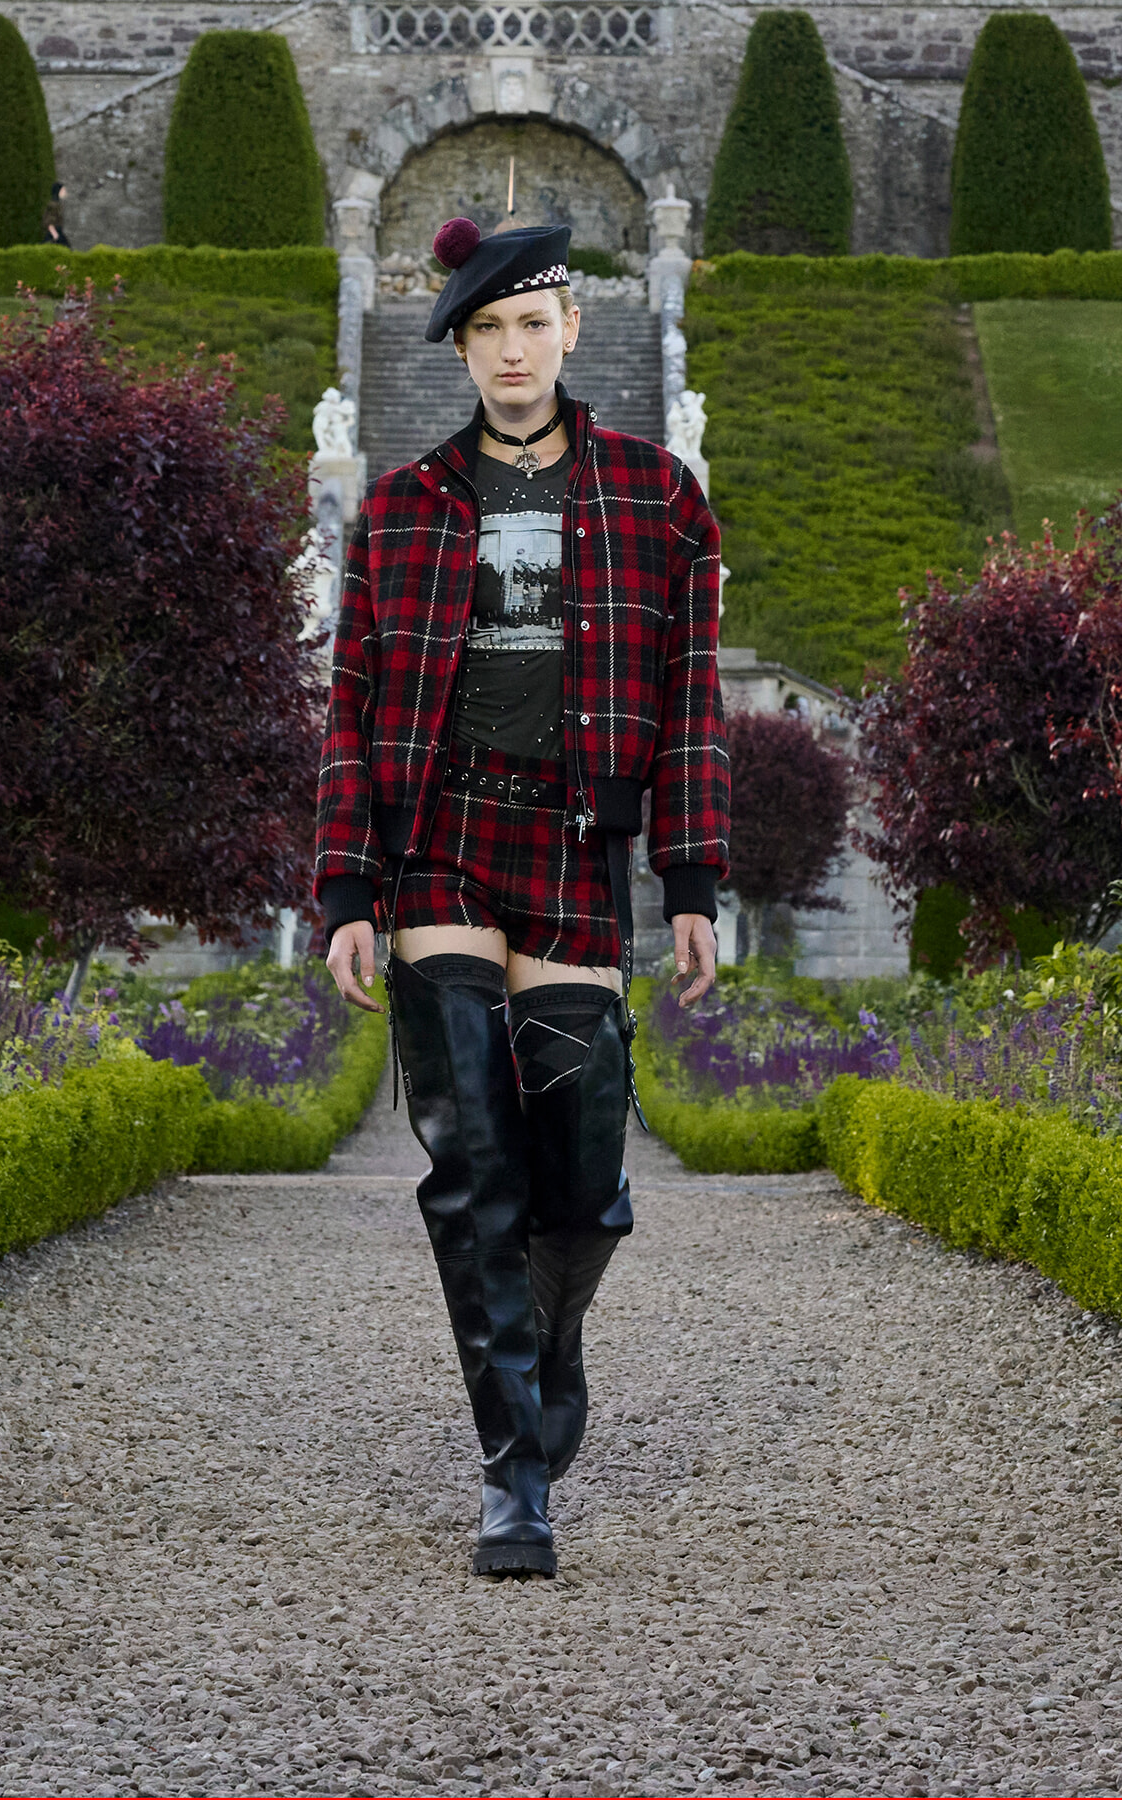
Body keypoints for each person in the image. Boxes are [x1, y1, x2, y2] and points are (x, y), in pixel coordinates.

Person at [316, 217, 729, 1578]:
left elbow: (689, 703)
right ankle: (513, 1478)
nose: (510, 350)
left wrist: (690, 875)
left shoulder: (656, 498)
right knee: (473, 1156)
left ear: (570, 331)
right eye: (484, 329)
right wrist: (346, 887)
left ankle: (550, 1348)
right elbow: (353, 711)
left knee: (585, 1169)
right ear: (460, 347)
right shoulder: (398, 508)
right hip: (438, 840)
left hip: (571, 848)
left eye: (530, 324)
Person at [43, 182, 70, 247]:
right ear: (58, 191)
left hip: (57, 233)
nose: (65, 192)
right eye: (63, 190)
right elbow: (49, 222)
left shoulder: (57, 205)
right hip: (54, 234)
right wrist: (56, 236)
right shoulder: (53, 205)